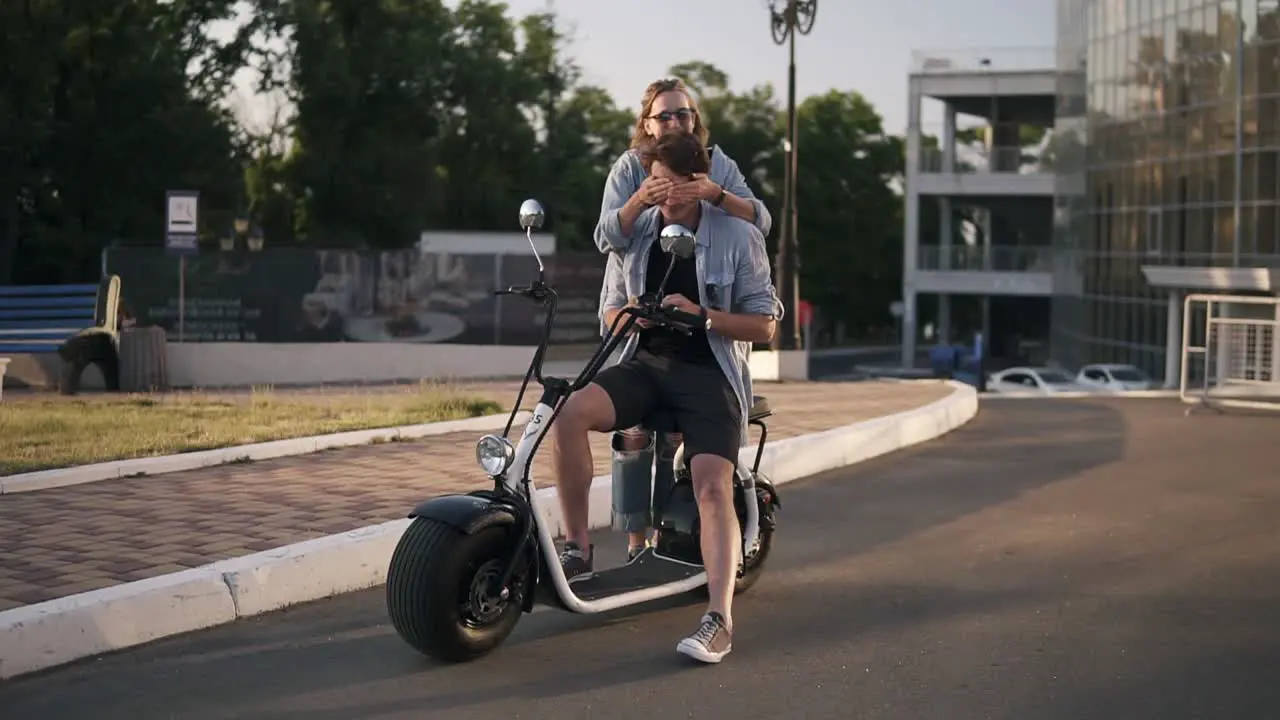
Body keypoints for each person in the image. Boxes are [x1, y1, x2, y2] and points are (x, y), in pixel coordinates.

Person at [551, 129, 783, 663]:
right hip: (645, 364)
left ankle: (718, 619)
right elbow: (609, 311)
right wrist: (626, 315)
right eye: (653, 182)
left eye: (671, 185)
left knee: (710, 486)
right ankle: (578, 550)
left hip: (710, 370)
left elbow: (765, 327)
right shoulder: (634, 236)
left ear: (698, 185)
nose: (661, 195)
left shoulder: (737, 237)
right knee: (567, 412)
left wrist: (703, 316)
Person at [594, 77, 773, 557]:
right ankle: (635, 543)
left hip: (704, 344)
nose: (674, 122)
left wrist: (713, 195)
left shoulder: (718, 164)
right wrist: (641, 201)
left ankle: (674, 537)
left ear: (696, 120)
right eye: (664, 115)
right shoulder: (630, 169)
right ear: (646, 125)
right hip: (640, 335)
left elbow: (760, 222)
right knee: (632, 434)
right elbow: (607, 239)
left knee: (679, 436)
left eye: (683, 114)